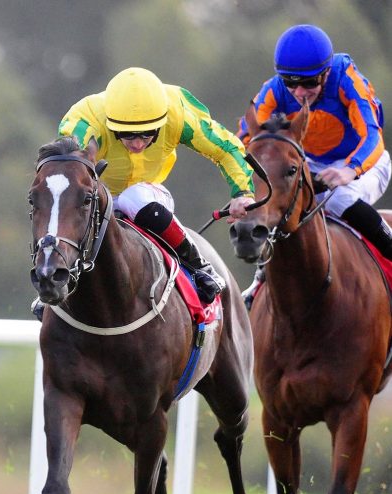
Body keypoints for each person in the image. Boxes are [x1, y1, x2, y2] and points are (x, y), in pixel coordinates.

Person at [33, 67, 255, 319]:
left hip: (150, 195)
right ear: (110, 123)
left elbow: (226, 147)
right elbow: (66, 172)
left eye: (148, 134)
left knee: (135, 197)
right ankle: (52, 275)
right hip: (99, 198)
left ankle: (198, 265)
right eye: (127, 134)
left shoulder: (178, 112)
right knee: (76, 204)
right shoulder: (87, 118)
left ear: (161, 123)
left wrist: (242, 192)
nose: (138, 143)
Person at [237, 24, 391, 309]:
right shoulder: (273, 91)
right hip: (311, 164)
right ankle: (260, 279)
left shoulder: (346, 78)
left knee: (339, 197)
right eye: (290, 83)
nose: (299, 92)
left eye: (309, 83)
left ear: (326, 73)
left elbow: (373, 136)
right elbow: (244, 138)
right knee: (278, 204)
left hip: (365, 162)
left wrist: (349, 170)